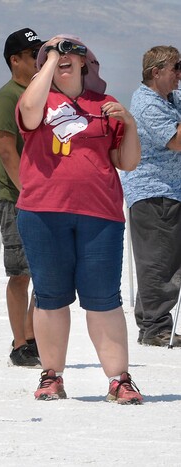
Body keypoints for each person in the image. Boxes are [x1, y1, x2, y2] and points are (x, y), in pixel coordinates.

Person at [16, 35, 144, 403]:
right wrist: (50, 61)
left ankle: (119, 379)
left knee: (103, 297)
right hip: (43, 212)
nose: (64, 57)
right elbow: (28, 111)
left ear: (88, 63)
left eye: (73, 52)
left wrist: (130, 125)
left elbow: (127, 162)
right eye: (54, 53)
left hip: (100, 214)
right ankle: (51, 375)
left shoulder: (105, 105)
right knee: (51, 297)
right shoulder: (38, 99)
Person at [120, 45, 181, 348]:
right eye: (175, 69)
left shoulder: (169, 99)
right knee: (159, 262)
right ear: (156, 72)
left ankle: (151, 323)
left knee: (164, 258)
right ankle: (156, 327)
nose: (179, 75)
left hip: (168, 191)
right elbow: (177, 140)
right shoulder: (147, 104)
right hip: (153, 191)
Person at [0, 27, 44, 367]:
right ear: (16, 61)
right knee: (20, 273)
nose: (38, 60)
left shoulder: (42, 93)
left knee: (47, 272)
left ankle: (33, 336)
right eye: (32, 55)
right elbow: (7, 152)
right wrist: (28, 192)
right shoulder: (8, 97)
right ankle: (19, 343)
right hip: (17, 197)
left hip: (45, 197)